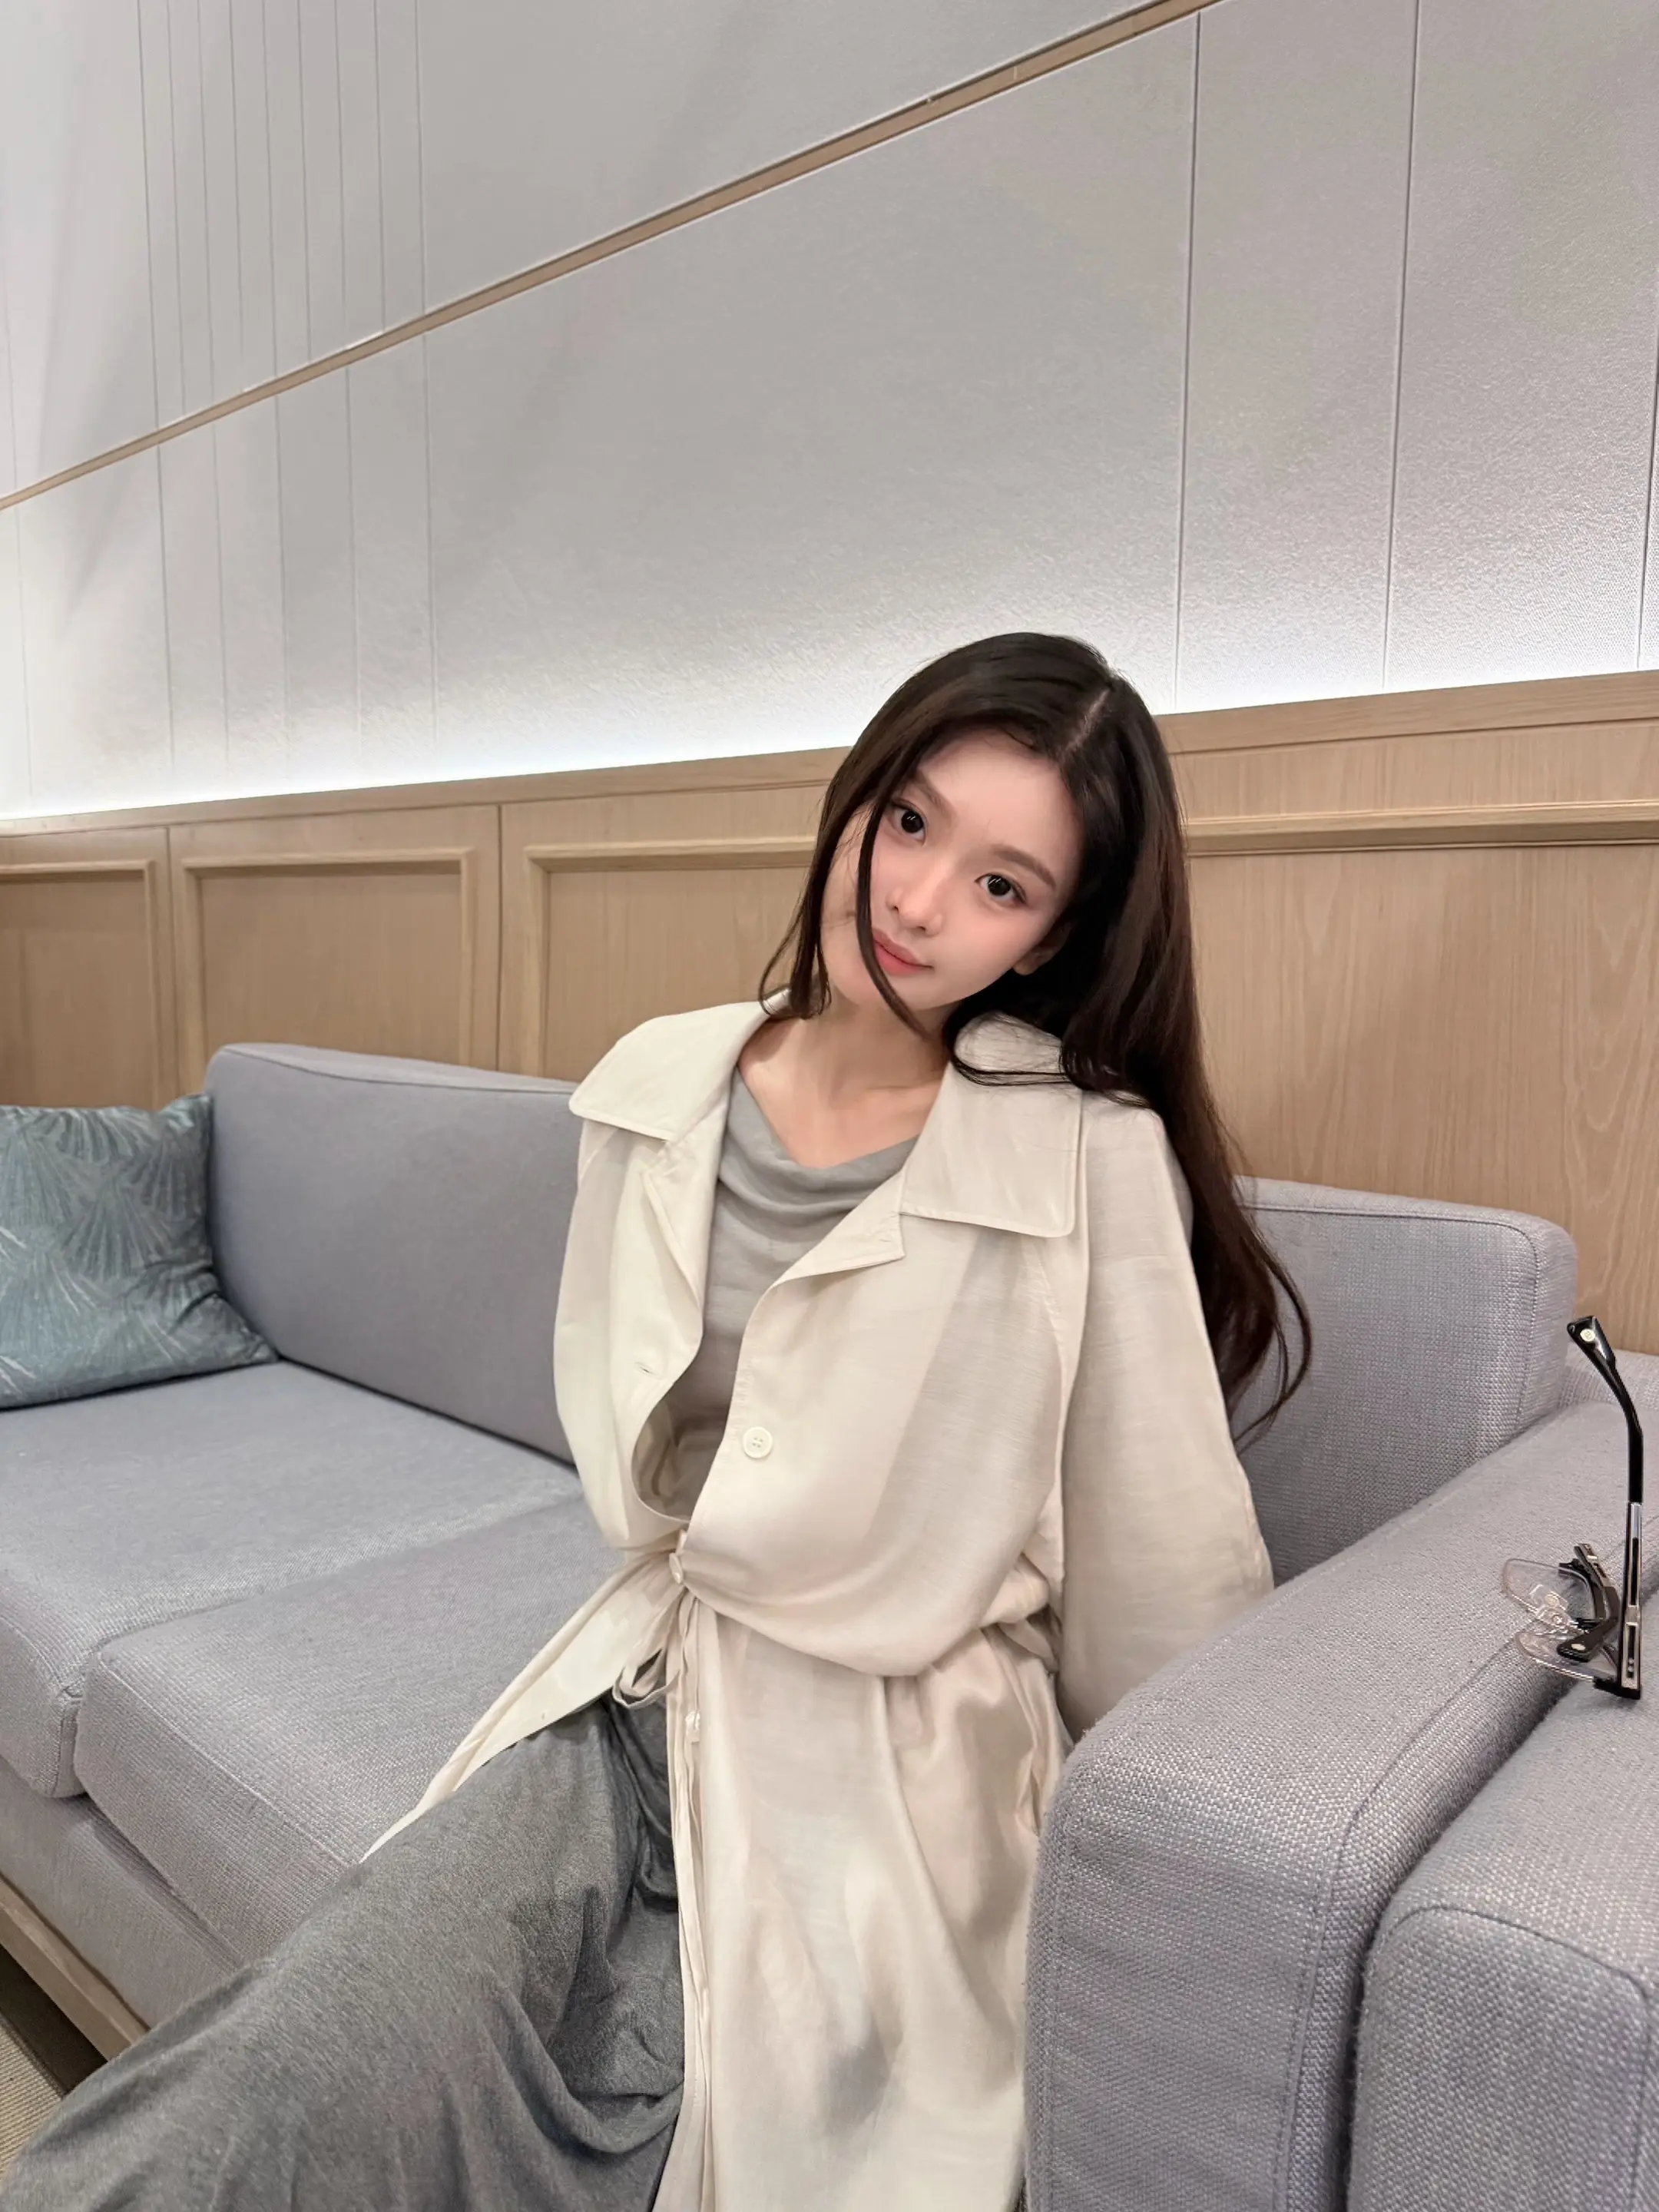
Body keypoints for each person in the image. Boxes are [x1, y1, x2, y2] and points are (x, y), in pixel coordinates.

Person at [2, 632, 1306, 2212]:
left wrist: (1195, 1892)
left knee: (699, 2129)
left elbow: (1165, 1566)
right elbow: (646, 1457)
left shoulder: (1083, 1158)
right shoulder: (658, 1088)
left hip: (912, 1774)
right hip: (644, 1686)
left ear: (1052, 937)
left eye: (1001, 884)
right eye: (909, 822)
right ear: (856, 799)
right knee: (290, 2064)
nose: (916, 901)